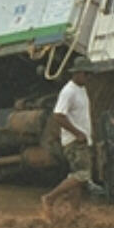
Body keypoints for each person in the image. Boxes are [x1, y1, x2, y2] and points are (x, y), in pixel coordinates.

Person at [41, 68, 94, 215]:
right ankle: (50, 198)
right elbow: (58, 115)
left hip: (80, 140)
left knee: (77, 177)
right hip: (74, 141)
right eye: (86, 74)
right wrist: (77, 133)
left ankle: (75, 212)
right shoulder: (69, 91)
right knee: (82, 175)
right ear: (76, 73)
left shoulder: (80, 89)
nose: (89, 77)